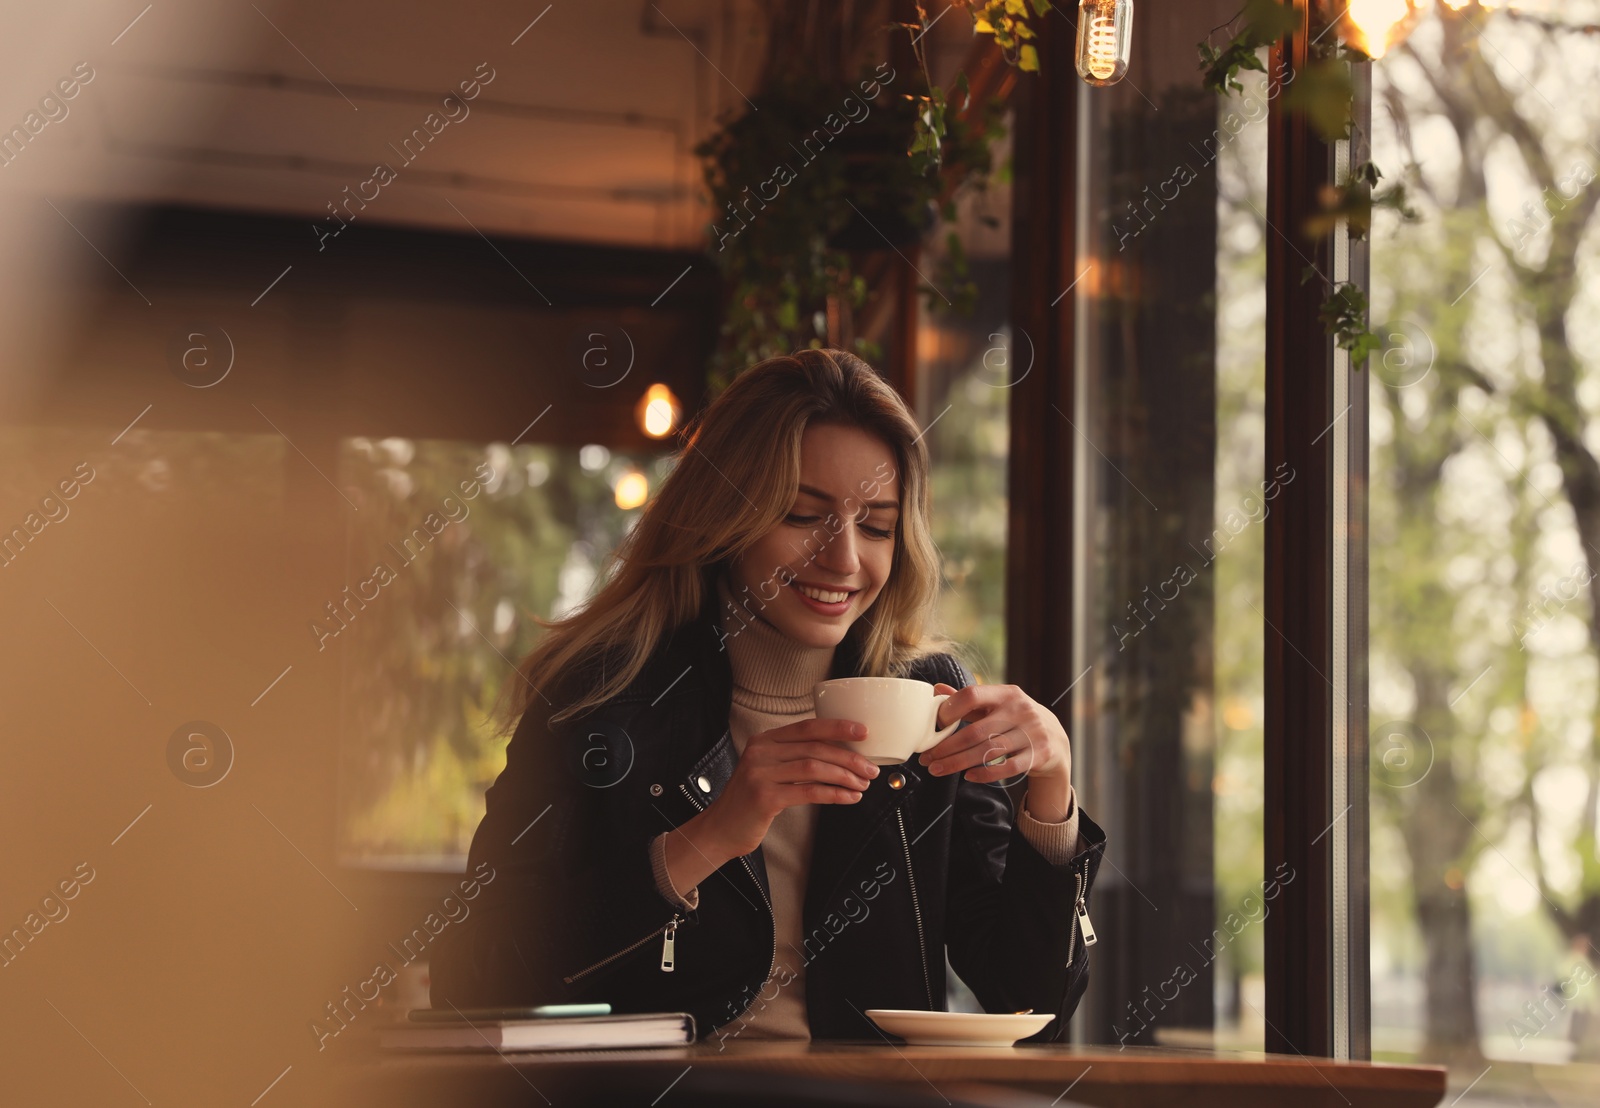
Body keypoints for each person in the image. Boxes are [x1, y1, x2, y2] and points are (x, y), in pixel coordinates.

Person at [428, 349, 1106, 1043]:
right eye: (803, 515)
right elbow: (475, 972)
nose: (843, 559)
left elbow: (1030, 1001)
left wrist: (1051, 797)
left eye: (876, 525)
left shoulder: (929, 702)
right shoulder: (601, 696)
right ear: (725, 514)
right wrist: (709, 837)